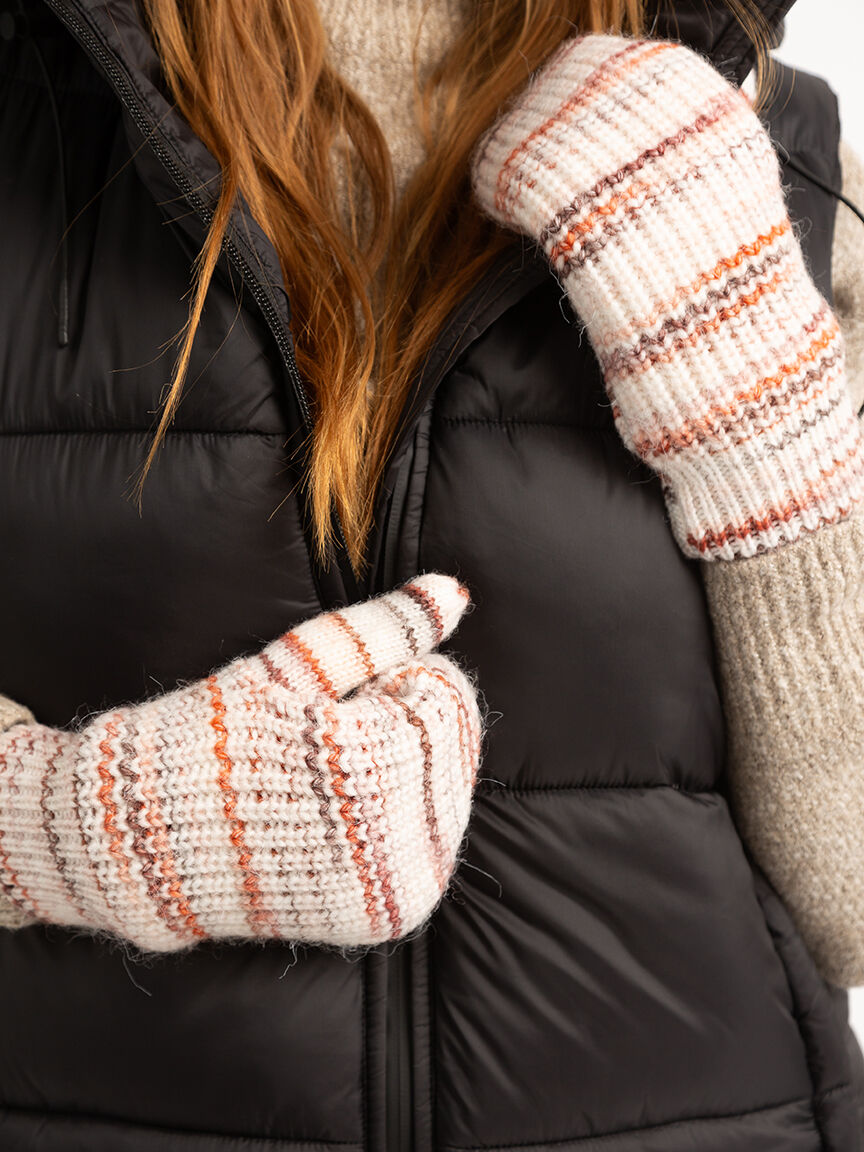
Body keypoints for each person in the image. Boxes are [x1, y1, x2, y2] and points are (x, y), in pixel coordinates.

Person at [1, 0, 864, 1149]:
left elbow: (852, 909)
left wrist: (770, 433)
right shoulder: (25, 113)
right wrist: (71, 828)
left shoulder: (758, 143)